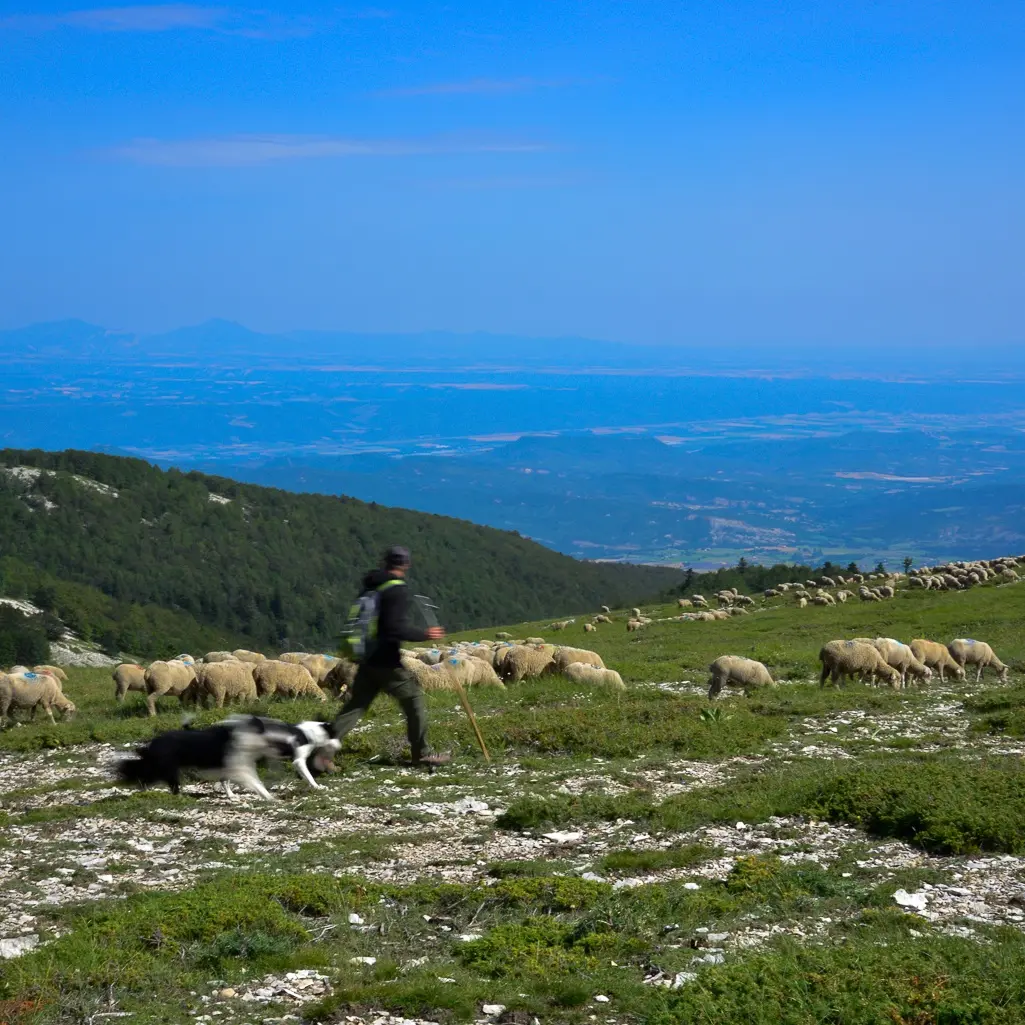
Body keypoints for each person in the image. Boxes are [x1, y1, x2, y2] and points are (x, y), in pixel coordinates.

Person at [332, 546, 451, 767]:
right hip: (386, 660)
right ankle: (421, 753)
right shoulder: (395, 590)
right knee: (414, 700)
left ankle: (321, 752)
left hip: (366, 657)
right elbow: (394, 628)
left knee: (355, 706)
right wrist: (424, 634)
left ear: (385, 563)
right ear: (406, 564)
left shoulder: (372, 586)